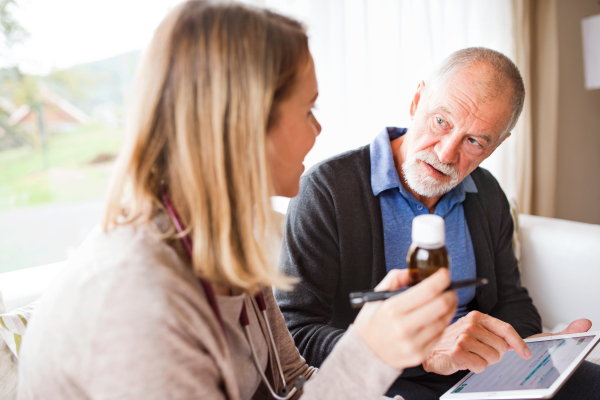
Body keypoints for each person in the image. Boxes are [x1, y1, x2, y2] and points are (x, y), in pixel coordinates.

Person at [17, 2, 458, 399]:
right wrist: (369, 352)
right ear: (244, 126)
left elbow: (292, 383)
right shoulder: (135, 303)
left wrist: (376, 344)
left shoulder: (226, 243)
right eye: (310, 110)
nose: (318, 132)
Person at [275, 47, 600, 399]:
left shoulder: (488, 193)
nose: (446, 154)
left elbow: (513, 300)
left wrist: (517, 348)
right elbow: (296, 332)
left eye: (474, 141)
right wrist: (422, 354)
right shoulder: (327, 190)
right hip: (385, 381)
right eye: (441, 122)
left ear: (497, 145)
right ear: (417, 101)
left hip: (480, 375)